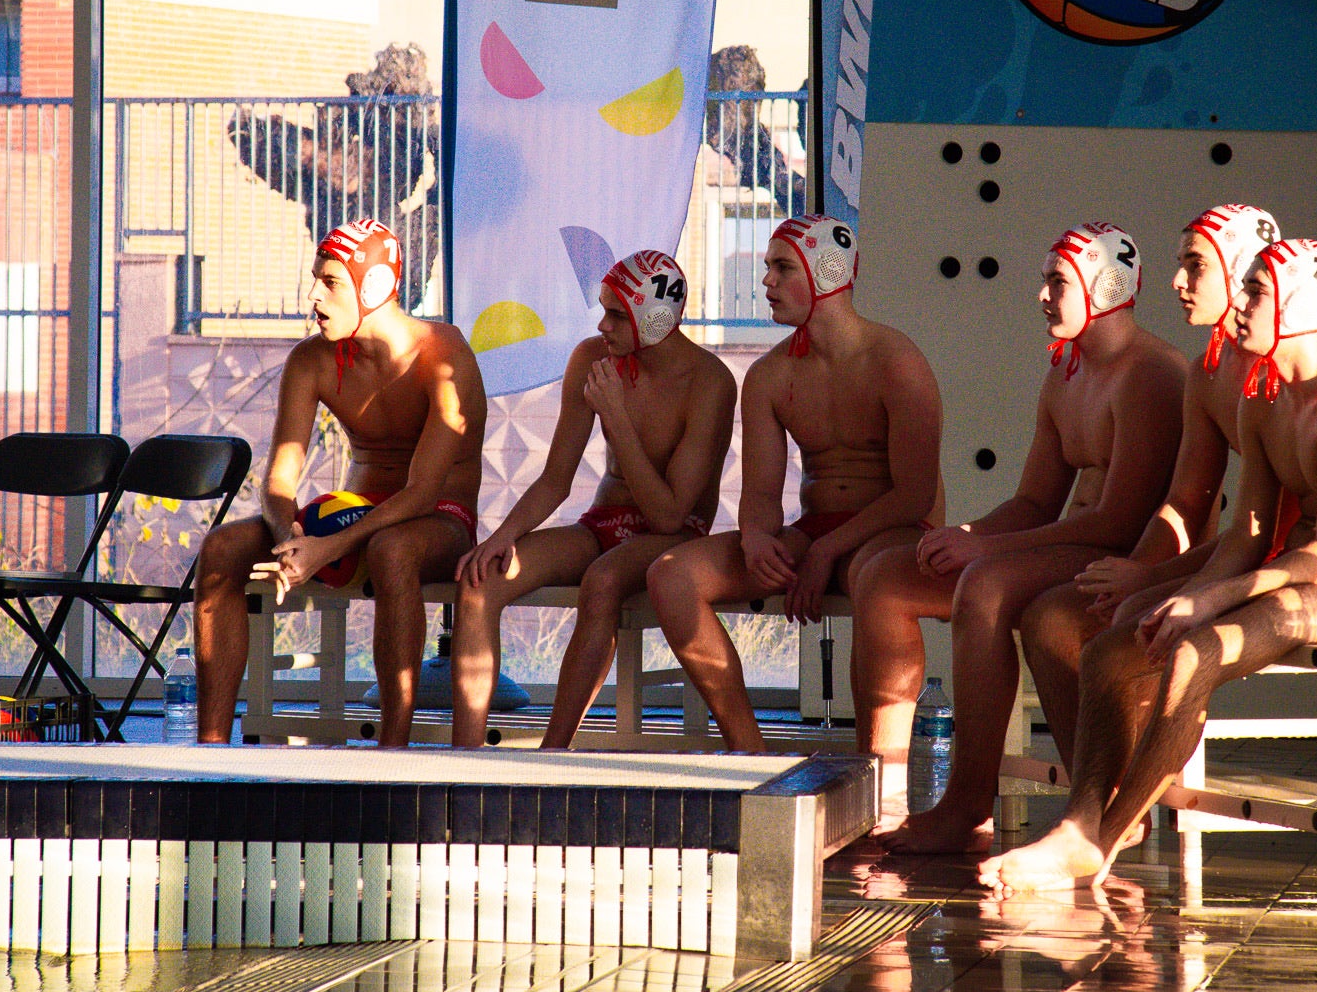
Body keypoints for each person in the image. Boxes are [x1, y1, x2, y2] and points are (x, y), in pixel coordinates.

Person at [978, 239, 1317, 896]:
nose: (1239, 305)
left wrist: (1209, 599)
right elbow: (1248, 533)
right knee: (1114, 646)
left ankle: (1099, 844)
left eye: (1255, 291)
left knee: (1196, 654)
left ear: (1301, 306)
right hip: (1294, 571)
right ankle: (1080, 822)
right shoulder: (1265, 397)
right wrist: (1185, 591)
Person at [871, 223, 1184, 851]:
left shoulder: (1150, 373)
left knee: (986, 584)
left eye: (1057, 282)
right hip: (1078, 547)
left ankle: (972, 800)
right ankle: (877, 788)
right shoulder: (1066, 372)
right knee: (887, 574)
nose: (1042, 295)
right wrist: (972, 531)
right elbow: (1036, 502)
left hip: (1132, 556)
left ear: (1105, 287)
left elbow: (1122, 522)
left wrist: (986, 549)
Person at [645, 215, 944, 751]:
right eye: (768, 268)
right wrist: (757, 537)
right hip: (816, 531)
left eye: (782, 268)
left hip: (894, 530)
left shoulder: (896, 361)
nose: (766, 281)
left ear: (826, 272)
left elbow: (914, 496)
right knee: (672, 576)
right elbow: (761, 495)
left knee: (876, 579)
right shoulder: (769, 374)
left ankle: (881, 769)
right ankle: (749, 750)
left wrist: (827, 550)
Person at [191, 218, 486, 747]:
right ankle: (210, 747)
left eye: (330, 282)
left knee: (392, 549)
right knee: (221, 549)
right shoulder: (312, 360)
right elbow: (279, 480)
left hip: (438, 519)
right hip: (353, 517)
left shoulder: (442, 356)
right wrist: (290, 540)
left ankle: (391, 750)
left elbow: (422, 491)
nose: (313, 296)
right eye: (315, 279)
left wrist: (328, 547)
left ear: (375, 287)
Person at [1029, 205, 1282, 778]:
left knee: (1126, 626)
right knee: (1052, 618)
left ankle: (1112, 805)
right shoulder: (1209, 372)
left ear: (1241, 269)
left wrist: (1149, 579)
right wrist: (1140, 570)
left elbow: (1265, 536)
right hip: (1241, 556)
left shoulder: (1280, 379)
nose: (1175, 282)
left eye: (1195, 265)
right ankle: (1094, 796)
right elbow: (1187, 501)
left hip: (1292, 568)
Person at [449, 250, 736, 748]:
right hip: (601, 524)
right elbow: (556, 479)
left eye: (617, 315)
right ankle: (465, 758)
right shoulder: (592, 359)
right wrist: (503, 536)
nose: (602, 326)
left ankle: (552, 753)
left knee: (602, 580)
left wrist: (617, 418)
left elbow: (670, 515)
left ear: (656, 318)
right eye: (603, 311)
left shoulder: (709, 381)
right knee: (481, 581)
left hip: (672, 536)